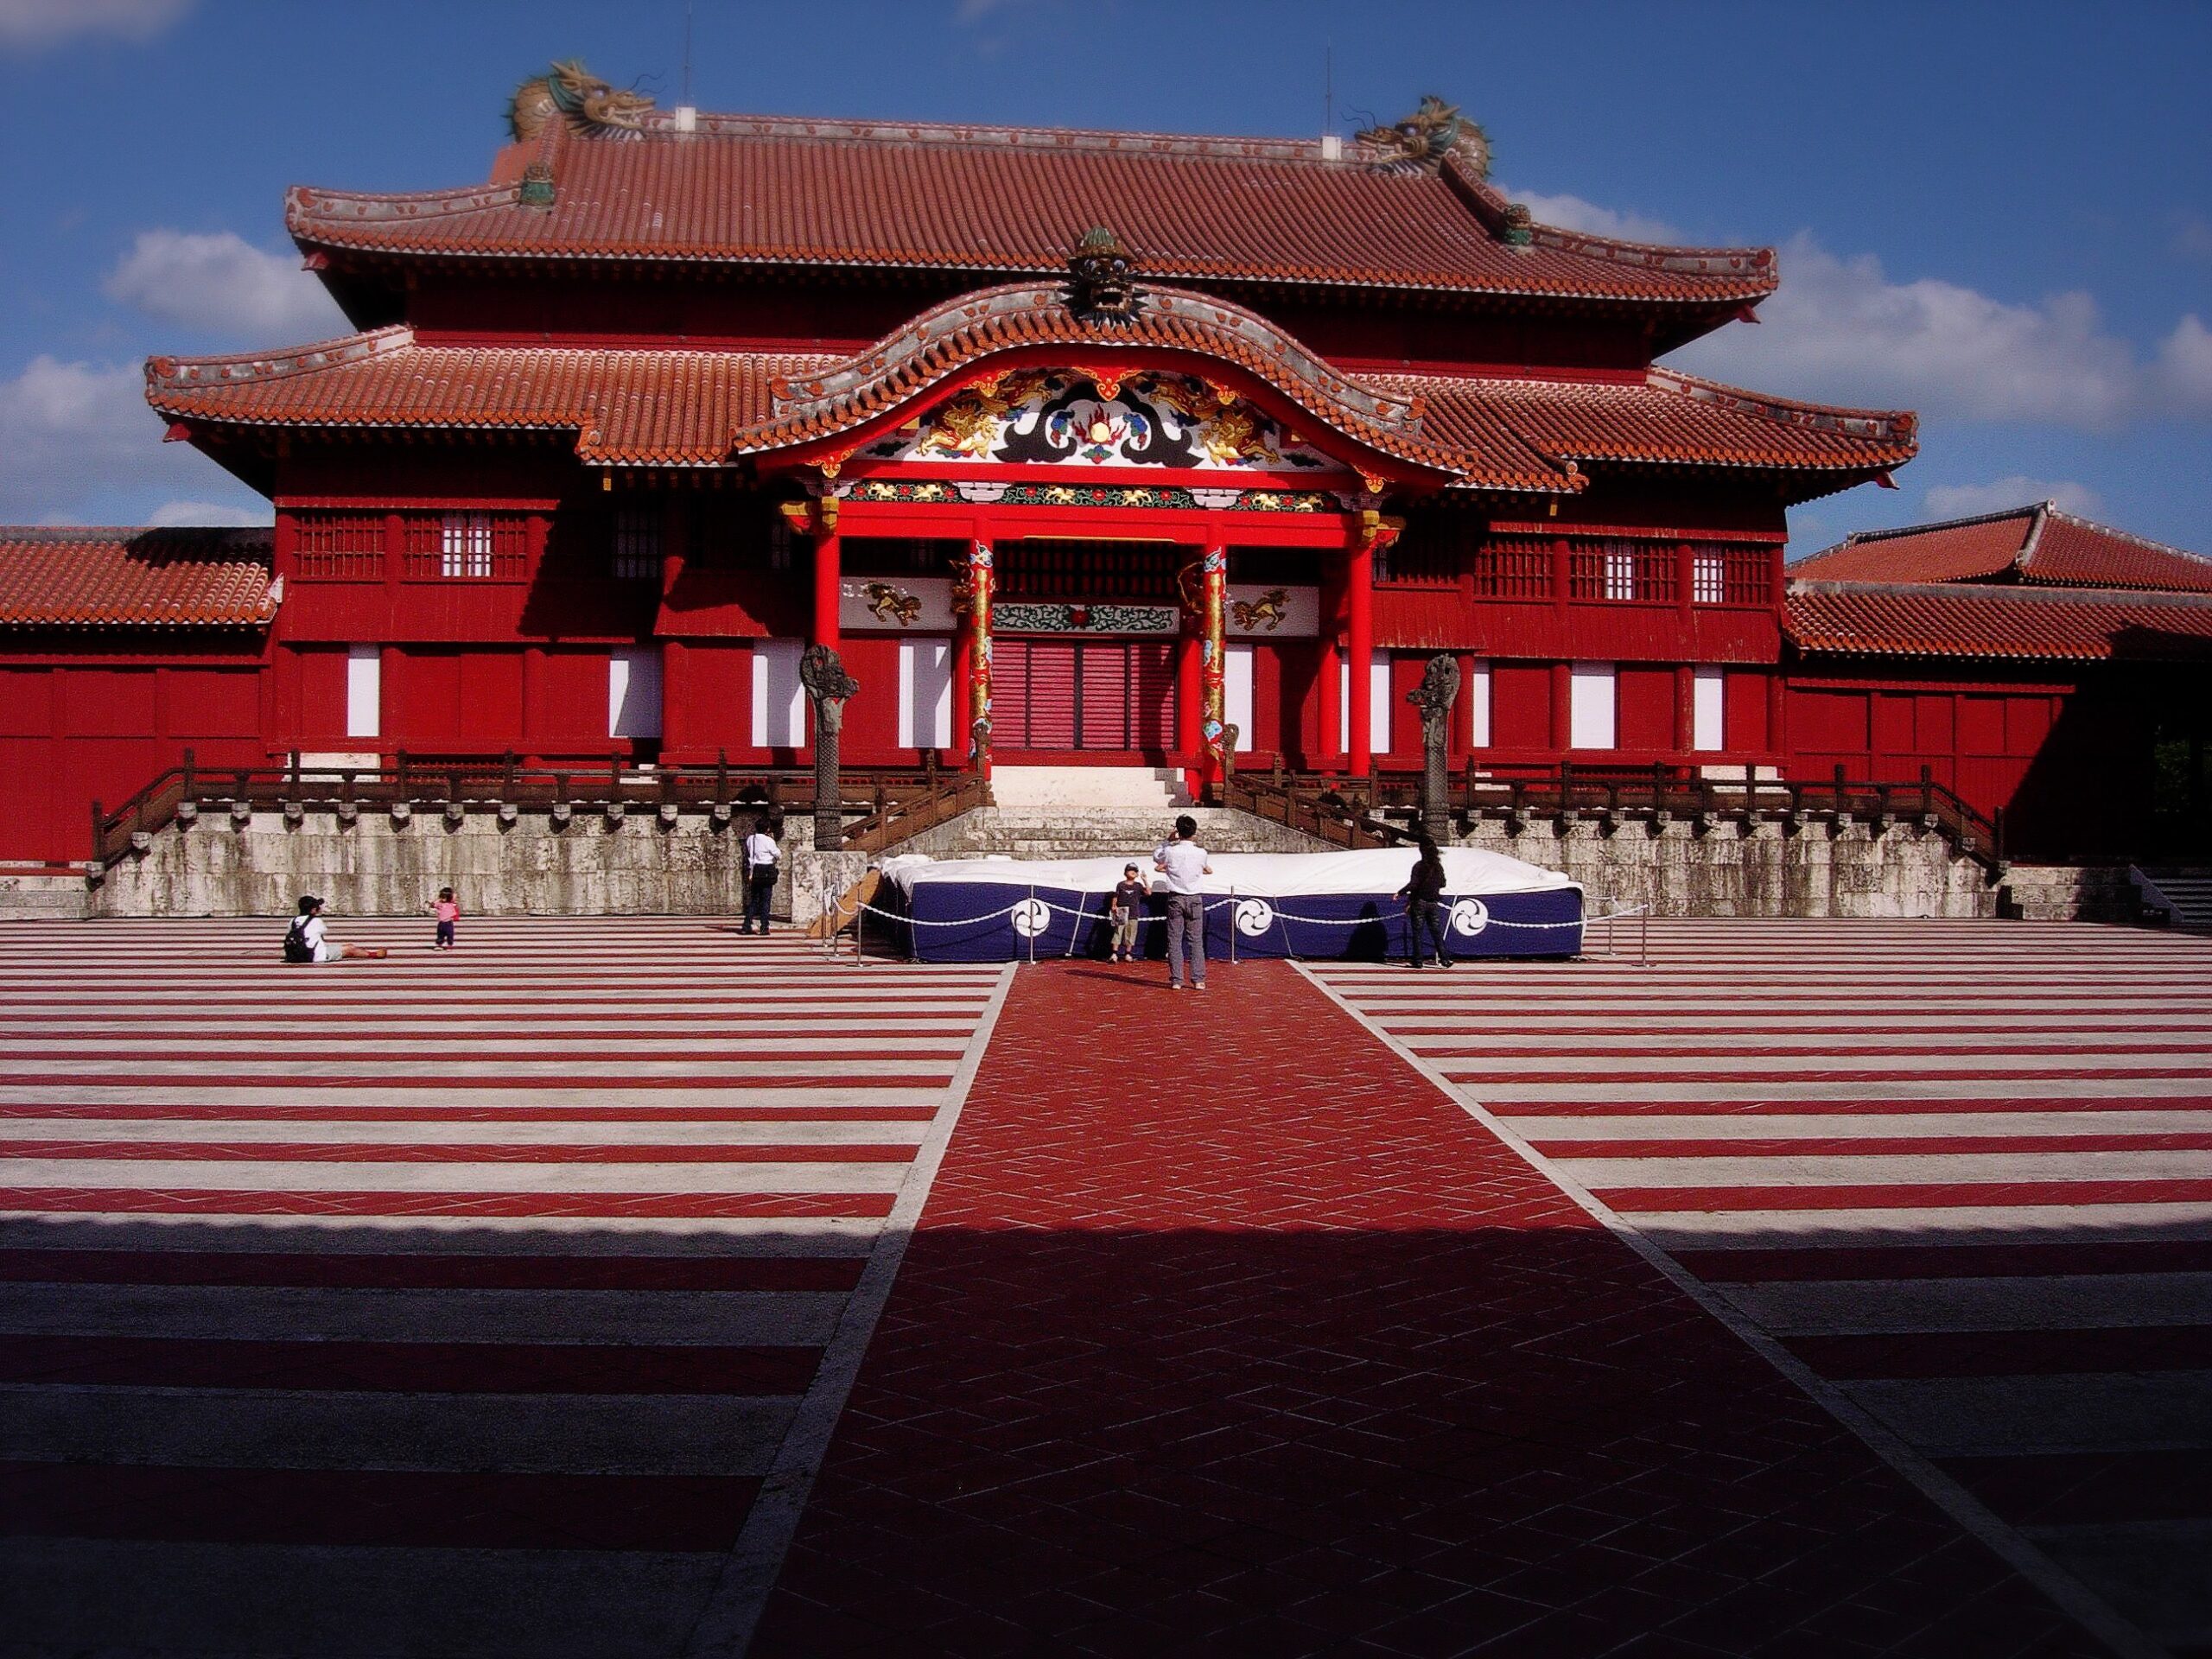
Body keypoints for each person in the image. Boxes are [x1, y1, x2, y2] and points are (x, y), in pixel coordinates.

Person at [1153, 814, 1212, 991]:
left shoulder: (1171, 851)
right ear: (1194, 832)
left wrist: (1167, 841)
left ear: (1178, 832)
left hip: (1175, 897)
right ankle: (1198, 979)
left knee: (1174, 939)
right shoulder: (1201, 853)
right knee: (1196, 941)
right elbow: (1204, 868)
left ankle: (1177, 979)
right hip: (1194, 898)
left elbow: (1157, 858)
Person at [1396, 835, 1452, 969]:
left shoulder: (1419, 866)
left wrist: (1400, 892)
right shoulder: (1438, 866)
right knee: (1436, 932)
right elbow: (1443, 883)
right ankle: (1445, 959)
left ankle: (1418, 961)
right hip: (1433, 902)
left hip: (1419, 901)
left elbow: (1413, 884)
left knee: (1417, 932)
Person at [283, 895, 389, 964]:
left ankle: (369, 953)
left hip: (297, 955)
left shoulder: (292, 921)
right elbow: (322, 932)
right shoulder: (316, 921)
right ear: (313, 909)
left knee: (346, 946)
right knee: (350, 949)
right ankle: (372, 954)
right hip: (317, 956)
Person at [741, 816, 780, 935]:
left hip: (755, 870)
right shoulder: (769, 841)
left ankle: (747, 924)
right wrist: (772, 839)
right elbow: (778, 854)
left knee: (754, 899)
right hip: (767, 869)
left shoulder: (750, 839)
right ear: (767, 829)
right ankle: (764, 926)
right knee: (765, 900)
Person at [1109, 863, 1147, 963]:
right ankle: (1114, 954)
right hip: (1121, 911)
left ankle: (1128, 954)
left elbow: (1148, 893)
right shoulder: (1121, 885)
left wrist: (1145, 880)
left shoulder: (1138, 886)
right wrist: (1114, 906)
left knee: (1131, 934)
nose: (1133, 872)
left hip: (1133, 913)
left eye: (1135, 870)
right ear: (1125, 872)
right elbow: (1116, 896)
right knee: (1118, 932)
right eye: (1131, 870)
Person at [429, 886, 460, 950]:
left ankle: (449, 945)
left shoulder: (451, 903)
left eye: (444, 897)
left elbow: (454, 895)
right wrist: (439, 899)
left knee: (450, 935)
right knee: (440, 935)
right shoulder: (440, 904)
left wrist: (449, 893)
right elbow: (432, 905)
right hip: (441, 923)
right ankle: (439, 945)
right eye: (441, 897)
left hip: (449, 922)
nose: (442, 899)